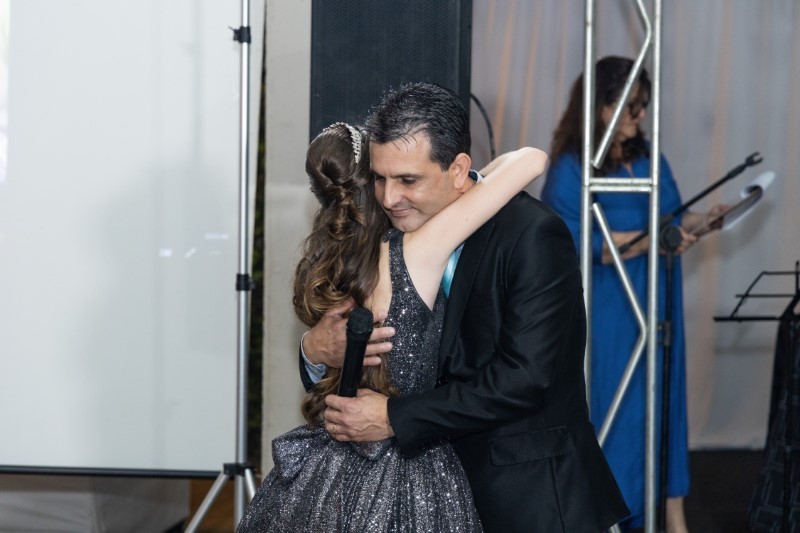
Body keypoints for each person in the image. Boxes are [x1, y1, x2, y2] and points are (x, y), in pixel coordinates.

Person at [305, 82, 630, 532]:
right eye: (380, 178)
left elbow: (526, 378)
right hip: (416, 498)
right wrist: (313, 351)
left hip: (524, 496)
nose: (388, 197)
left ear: (458, 170)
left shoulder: (531, 234)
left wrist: (395, 417)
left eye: (408, 180)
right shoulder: (378, 233)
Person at [238, 119, 547, 532]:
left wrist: (311, 347)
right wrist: (462, 175)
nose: (393, 190)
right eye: (385, 176)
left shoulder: (325, 262)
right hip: (411, 468)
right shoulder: (416, 251)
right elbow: (530, 159)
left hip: (329, 467)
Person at [541, 56, 727, 532]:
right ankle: (613, 517)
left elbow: (674, 216)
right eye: (630, 105)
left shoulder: (649, 158)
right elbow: (574, 243)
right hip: (608, 306)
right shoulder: (571, 167)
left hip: (657, 295)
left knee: (664, 400)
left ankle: (673, 514)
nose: (639, 115)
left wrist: (704, 221)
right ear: (600, 106)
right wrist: (652, 239)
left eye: (643, 105)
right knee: (615, 406)